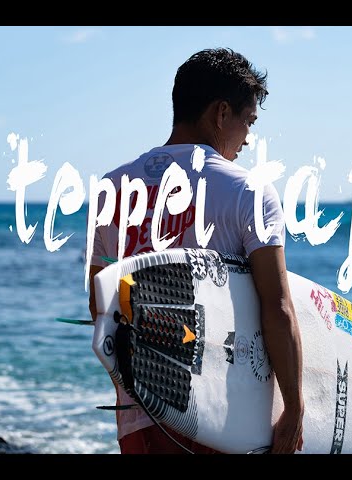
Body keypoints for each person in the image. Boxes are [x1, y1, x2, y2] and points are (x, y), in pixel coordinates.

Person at [87, 48, 304, 454]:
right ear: (221, 113)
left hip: (139, 415)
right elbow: (277, 308)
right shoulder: (249, 192)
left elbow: (100, 305)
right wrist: (294, 408)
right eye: (248, 121)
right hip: (219, 419)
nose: (248, 137)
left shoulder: (110, 189)